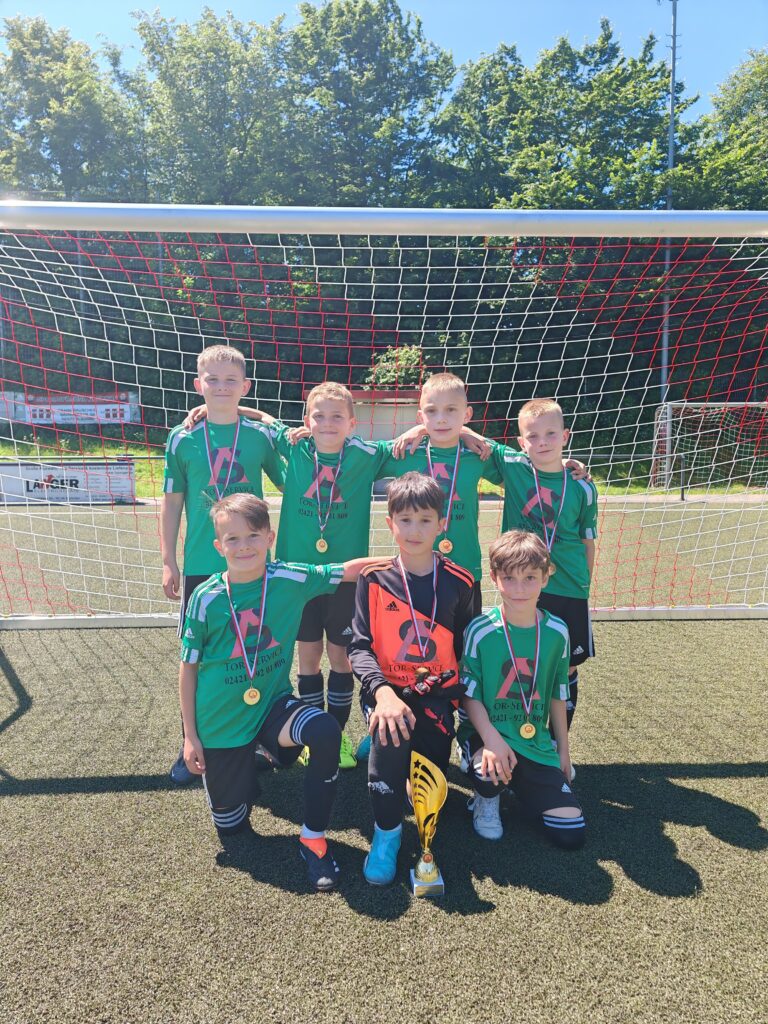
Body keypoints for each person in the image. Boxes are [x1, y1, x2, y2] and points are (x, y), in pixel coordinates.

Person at [179, 492, 377, 892]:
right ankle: (249, 759)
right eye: (233, 539)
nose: (244, 546)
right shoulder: (206, 599)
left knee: (324, 729)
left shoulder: (289, 578)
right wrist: (190, 737)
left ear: (270, 538)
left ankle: (313, 838)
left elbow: (347, 570)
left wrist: (410, 558)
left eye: (253, 535)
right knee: (232, 828)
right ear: (218, 546)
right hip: (221, 725)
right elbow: (188, 670)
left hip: (272, 706)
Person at [162, 345, 284, 785]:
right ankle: (190, 744)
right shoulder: (181, 438)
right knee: (198, 658)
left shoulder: (260, 437)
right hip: (202, 563)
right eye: (212, 380)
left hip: (252, 565)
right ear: (198, 385)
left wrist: (261, 416)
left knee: (254, 652)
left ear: (245, 387)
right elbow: (172, 502)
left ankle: (254, 741)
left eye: (231, 380)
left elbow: (291, 477)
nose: (221, 387)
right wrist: (168, 560)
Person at [347, 473, 476, 885]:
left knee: (429, 784)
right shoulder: (373, 578)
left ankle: (423, 832)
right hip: (387, 691)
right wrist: (383, 694)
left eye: (424, 520)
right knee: (390, 736)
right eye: (405, 520)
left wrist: (460, 704)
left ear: (442, 524)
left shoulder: (461, 582)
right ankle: (386, 836)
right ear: (390, 524)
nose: (414, 530)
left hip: (436, 695)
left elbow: (467, 651)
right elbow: (359, 647)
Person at [459, 530, 585, 848]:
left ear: (545, 576)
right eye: (509, 578)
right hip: (488, 736)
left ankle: (520, 784)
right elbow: (469, 695)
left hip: (534, 741)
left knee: (570, 832)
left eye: (529, 578)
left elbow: (558, 694)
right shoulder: (480, 630)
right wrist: (491, 740)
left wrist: (563, 751)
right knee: (488, 773)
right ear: (494, 578)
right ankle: (486, 796)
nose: (519, 589)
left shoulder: (557, 631)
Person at [490, 398, 598, 749]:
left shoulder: (583, 486)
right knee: (519, 659)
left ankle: (554, 743)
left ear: (565, 436)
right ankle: (512, 736)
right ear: (521, 442)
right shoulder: (513, 467)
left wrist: (584, 585)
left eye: (551, 434)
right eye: (532, 436)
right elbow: (465, 434)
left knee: (566, 667)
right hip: (522, 584)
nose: (542, 442)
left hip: (569, 587)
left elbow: (587, 541)